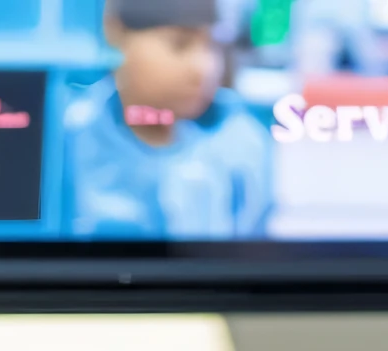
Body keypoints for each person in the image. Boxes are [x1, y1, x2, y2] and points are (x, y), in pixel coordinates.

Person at [60, 0, 272, 237]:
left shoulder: (240, 142)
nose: (203, 68)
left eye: (214, 47)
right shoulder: (67, 140)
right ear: (116, 31)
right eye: (179, 44)